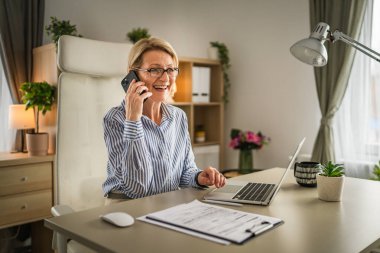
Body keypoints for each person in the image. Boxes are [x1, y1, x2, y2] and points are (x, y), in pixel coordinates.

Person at [102, 37, 226, 201]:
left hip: (166, 205)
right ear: (133, 74)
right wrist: (133, 120)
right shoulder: (116, 118)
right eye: (155, 70)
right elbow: (137, 188)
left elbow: (185, 171)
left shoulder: (178, 116)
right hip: (126, 208)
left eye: (170, 69)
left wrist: (198, 177)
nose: (165, 78)